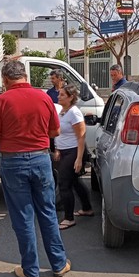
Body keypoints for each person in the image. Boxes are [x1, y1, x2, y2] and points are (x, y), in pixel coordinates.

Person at [0, 60, 71, 277]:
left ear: (5, 80)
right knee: (48, 212)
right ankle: (59, 264)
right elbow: (55, 130)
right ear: (26, 76)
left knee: (23, 217)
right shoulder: (44, 97)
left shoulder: (0, 102)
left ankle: (30, 270)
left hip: (13, 162)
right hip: (41, 159)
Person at [53, 84, 94, 230]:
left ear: (71, 97)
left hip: (73, 152)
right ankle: (87, 208)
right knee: (75, 182)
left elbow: (81, 137)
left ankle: (69, 218)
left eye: (62, 95)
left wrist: (78, 159)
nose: (59, 96)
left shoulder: (74, 113)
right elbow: (60, 132)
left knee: (64, 184)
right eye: (59, 94)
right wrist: (57, 149)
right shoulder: (62, 111)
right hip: (64, 151)